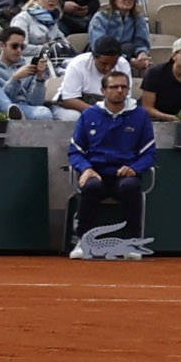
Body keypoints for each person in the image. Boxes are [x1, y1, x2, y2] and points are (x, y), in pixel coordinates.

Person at [65, 84, 161, 256]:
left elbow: (149, 153)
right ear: (103, 91)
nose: (119, 91)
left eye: (123, 87)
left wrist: (134, 168)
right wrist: (85, 168)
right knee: (91, 186)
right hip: (96, 172)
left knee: (130, 187)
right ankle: (82, 242)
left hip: (125, 175)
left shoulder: (140, 115)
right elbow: (75, 151)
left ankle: (133, 242)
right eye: (113, 87)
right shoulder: (89, 115)